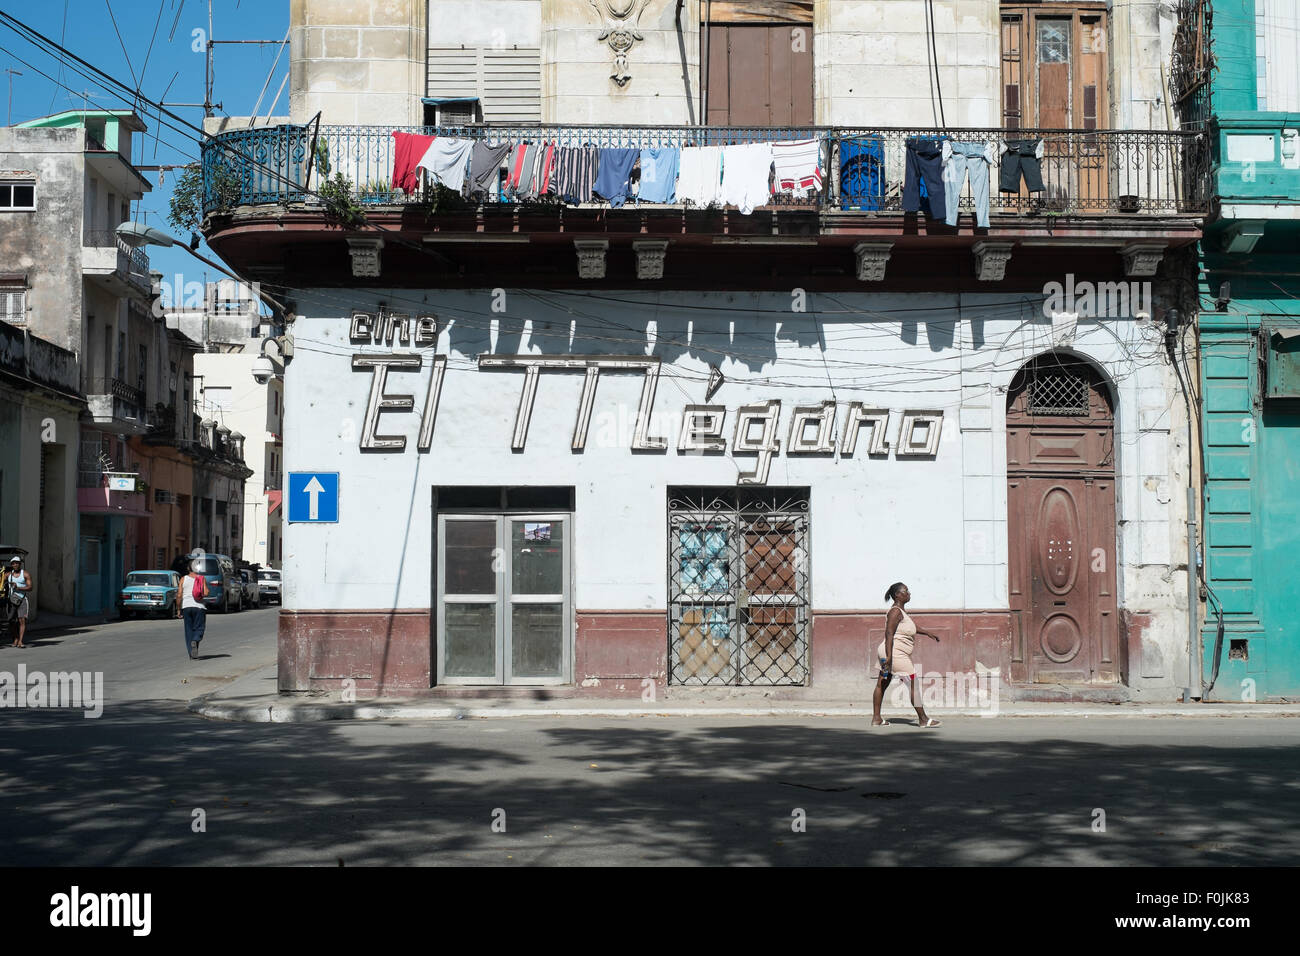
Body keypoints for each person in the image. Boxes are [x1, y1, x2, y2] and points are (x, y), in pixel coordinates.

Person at [872, 581, 941, 727]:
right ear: (898, 595)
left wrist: (927, 633)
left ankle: (876, 719)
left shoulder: (900, 611)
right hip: (894, 653)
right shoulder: (895, 611)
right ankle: (923, 719)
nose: (909, 593)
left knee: (882, 683)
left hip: (889, 651)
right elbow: (889, 633)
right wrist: (890, 657)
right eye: (906, 591)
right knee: (912, 684)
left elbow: (911, 627)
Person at [180, 558, 210, 659]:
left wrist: (179, 609)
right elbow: (206, 593)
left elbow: (179, 595)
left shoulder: (183, 579)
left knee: (188, 630)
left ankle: (191, 654)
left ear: (188, 568)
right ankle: (196, 639)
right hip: (199, 607)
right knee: (199, 627)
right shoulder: (201, 578)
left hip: (186, 606)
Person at [4, 555, 33, 648]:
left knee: (22, 620)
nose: (15, 564)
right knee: (10, 620)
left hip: (22, 599)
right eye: (13, 563)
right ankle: (16, 638)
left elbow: (30, 587)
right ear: (11, 565)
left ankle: (20, 641)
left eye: (17, 563)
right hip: (11, 600)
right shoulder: (8, 575)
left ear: (20, 564)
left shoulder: (25, 574)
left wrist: (18, 587)